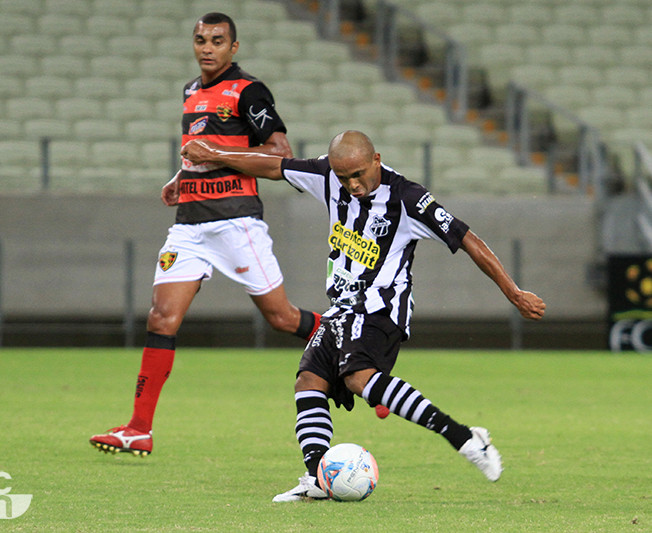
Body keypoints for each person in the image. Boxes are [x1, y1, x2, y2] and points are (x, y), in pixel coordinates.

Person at [180, 130, 546, 501]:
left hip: (381, 308)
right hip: (341, 309)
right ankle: (318, 479)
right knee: (308, 382)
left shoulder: (408, 198)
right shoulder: (327, 176)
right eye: (343, 177)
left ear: (376, 160)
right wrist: (215, 153)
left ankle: (466, 438)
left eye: (359, 174)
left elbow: (467, 238)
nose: (352, 185)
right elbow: (274, 166)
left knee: (358, 378)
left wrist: (512, 291)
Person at [89, 13, 321, 457]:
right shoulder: (190, 91)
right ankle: (139, 427)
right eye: (200, 40)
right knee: (161, 318)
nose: (207, 47)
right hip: (190, 226)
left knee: (282, 319)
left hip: (236, 221)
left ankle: (353, 346)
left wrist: (212, 154)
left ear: (234, 48)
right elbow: (202, 150)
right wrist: (184, 174)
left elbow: (279, 155)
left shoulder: (249, 91)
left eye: (217, 40)